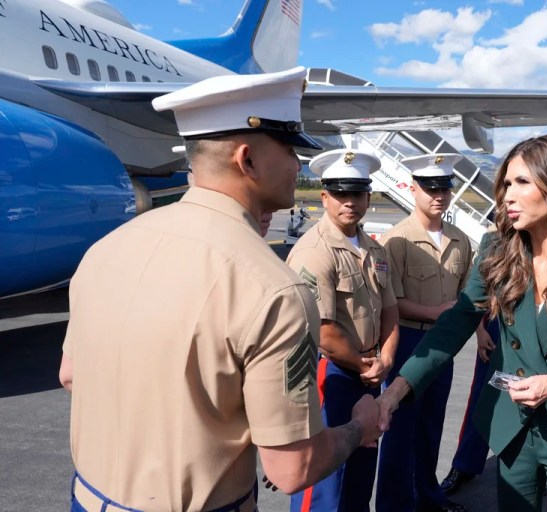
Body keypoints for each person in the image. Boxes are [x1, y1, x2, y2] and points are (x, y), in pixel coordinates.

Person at [58, 68, 382, 512]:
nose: (298, 164)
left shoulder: (106, 249)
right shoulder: (274, 289)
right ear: (247, 160)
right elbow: (292, 469)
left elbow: (71, 376)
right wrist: (357, 428)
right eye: (290, 149)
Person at [376, 134, 547, 511]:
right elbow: (456, 323)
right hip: (513, 429)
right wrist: (399, 388)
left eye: (521, 182)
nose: (506, 196)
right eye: (505, 184)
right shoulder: (497, 252)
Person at [287, 149, 399, 512]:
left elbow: (391, 309)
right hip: (331, 371)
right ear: (324, 198)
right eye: (340, 194)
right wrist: (366, 365)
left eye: (357, 194)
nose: (349, 202)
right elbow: (322, 329)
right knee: (324, 478)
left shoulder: (373, 249)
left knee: (360, 470)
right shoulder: (315, 251)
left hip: (368, 370)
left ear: (368, 197)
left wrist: (386, 358)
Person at [376, 153, 477, 512]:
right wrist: (435, 312)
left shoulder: (460, 241)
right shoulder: (395, 241)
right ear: (412, 188)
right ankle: (392, 503)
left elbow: (470, 297)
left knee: (431, 426)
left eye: (444, 188)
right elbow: (391, 302)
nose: (438, 195)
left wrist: (479, 332)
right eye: (430, 188)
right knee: (400, 429)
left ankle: (427, 498)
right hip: (409, 342)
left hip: (443, 347)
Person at [440, 315, 498, 496]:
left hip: (536, 326)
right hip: (497, 324)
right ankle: (464, 465)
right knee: (481, 401)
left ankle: (535, 471)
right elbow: (480, 295)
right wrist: (480, 331)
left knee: (531, 404)